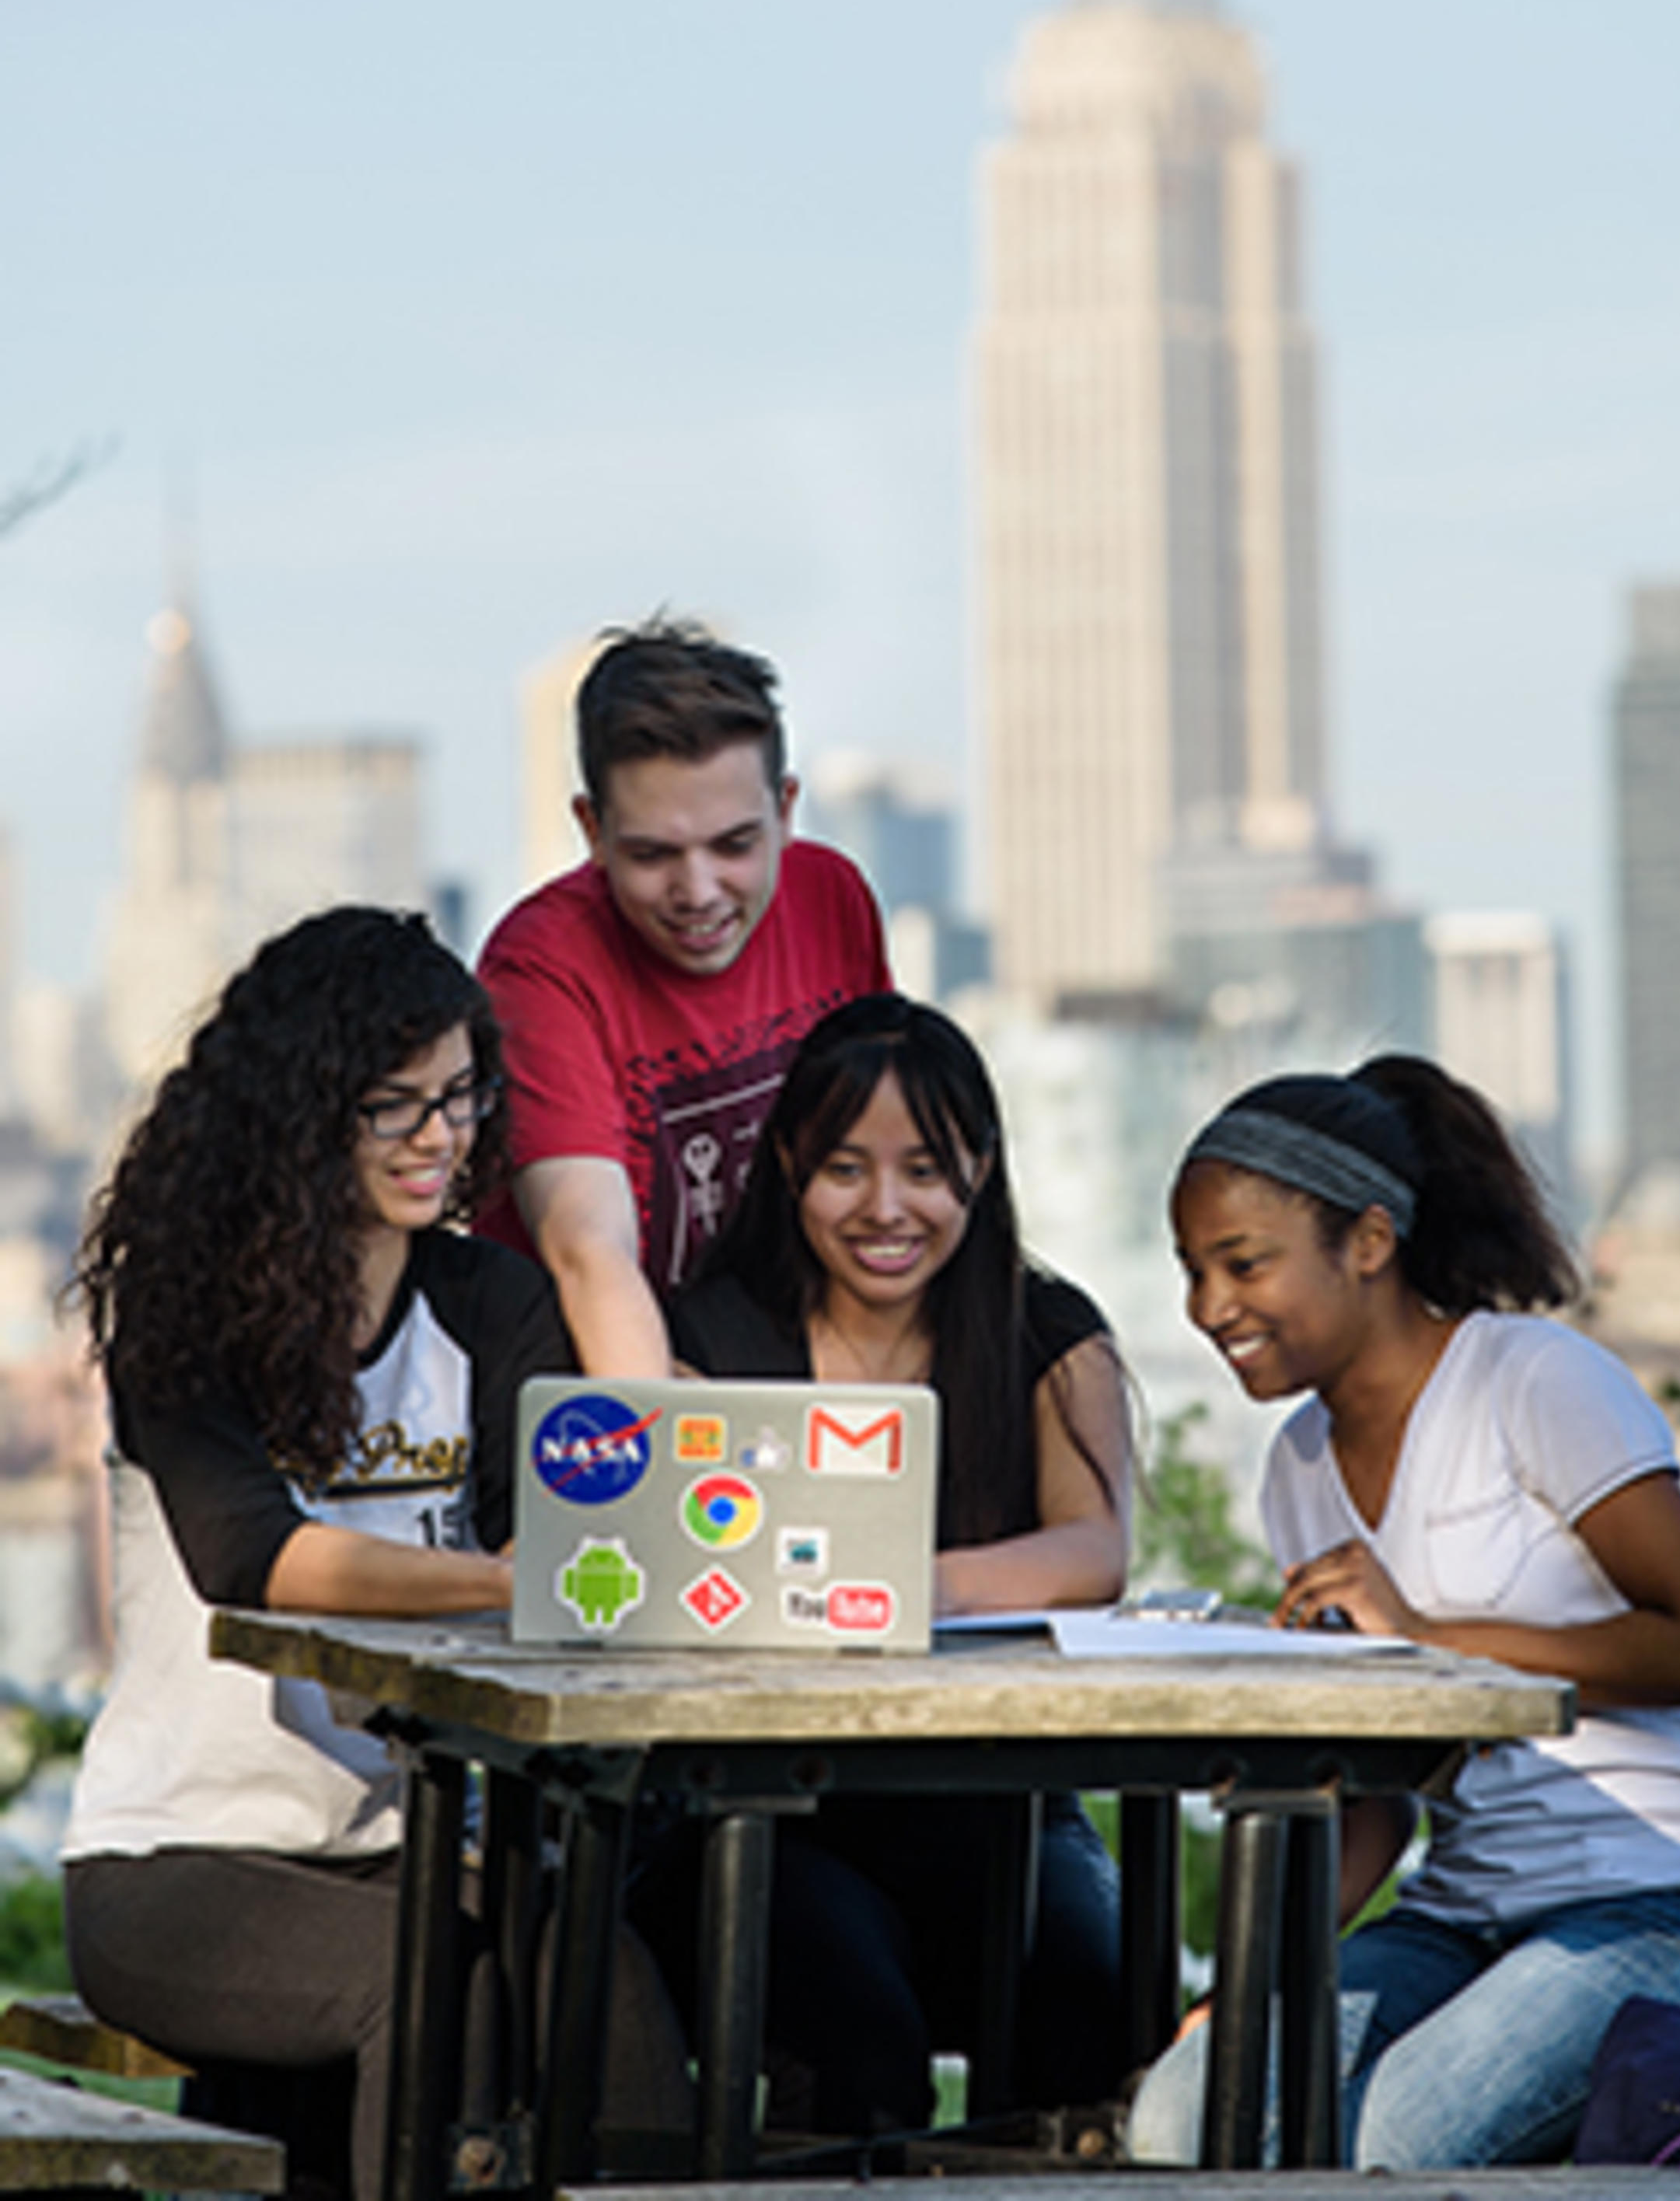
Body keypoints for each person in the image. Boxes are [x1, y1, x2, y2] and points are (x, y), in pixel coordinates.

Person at [62, 907, 689, 2201]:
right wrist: (513, 1582)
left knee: (618, 1983)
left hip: (417, 1837)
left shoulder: (491, 1303)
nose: (440, 1138)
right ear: (301, 1111)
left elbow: (566, 1520)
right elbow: (257, 1557)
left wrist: (549, 1564)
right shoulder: (182, 1315)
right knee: (427, 1980)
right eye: (393, 1105)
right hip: (182, 1855)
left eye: (459, 1098)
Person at [1127, 1053, 1680, 2172]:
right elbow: (1384, 1806)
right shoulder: (1298, 1465)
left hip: (1671, 1907)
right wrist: (1249, 1991)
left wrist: (1423, 1640)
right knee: (1185, 2116)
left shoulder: (1532, 1380)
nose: (1209, 1308)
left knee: (1395, 2140)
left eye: (1243, 1265)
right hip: (1463, 1918)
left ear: (1371, 1244)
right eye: (1192, 1272)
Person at [648, 990, 1133, 2134]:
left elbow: (1094, 1552)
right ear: (785, 1166)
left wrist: (909, 1585)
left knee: (1097, 2003)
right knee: (860, 2042)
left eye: (925, 1168)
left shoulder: (1049, 1331)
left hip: (1007, 1810)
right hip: (763, 1812)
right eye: (843, 1170)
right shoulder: (705, 1337)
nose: (885, 1209)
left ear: (981, 1165)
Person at [477, 617, 889, 1378]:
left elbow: (883, 1153)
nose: (698, 893)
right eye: (652, 855)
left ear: (787, 807)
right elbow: (588, 1254)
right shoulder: (539, 966)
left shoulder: (832, 895)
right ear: (592, 829)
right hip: (595, 1384)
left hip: (782, 1343)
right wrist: (687, 1437)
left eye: (735, 845)